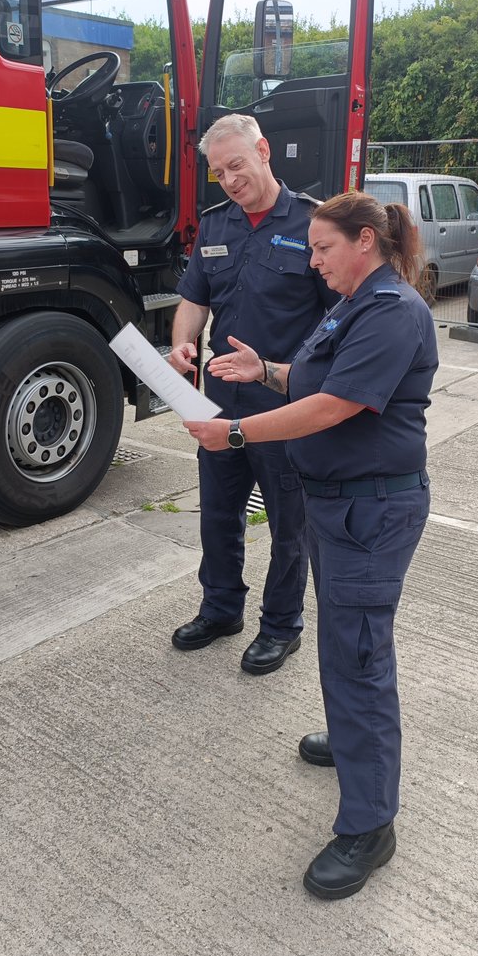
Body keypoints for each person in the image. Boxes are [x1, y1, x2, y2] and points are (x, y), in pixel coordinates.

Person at [184, 191, 438, 900]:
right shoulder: (351, 304)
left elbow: (335, 406)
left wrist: (234, 432)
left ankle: (369, 823)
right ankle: (354, 746)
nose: (314, 259)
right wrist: (260, 371)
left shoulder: (391, 310)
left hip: (371, 511)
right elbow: (313, 378)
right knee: (343, 644)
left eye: (323, 248)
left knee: (359, 655)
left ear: (365, 241)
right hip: (340, 507)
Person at [168, 114, 338, 675]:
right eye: (218, 173)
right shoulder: (217, 226)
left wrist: (300, 379)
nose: (230, 180)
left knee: (290, 523)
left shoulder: (313, 223)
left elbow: (338, 318)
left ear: (264, 150)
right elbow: (194, 297)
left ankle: (281, 626)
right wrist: (181, 344)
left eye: (236, 165)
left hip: (283, 405)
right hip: (219, 402)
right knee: (217, 514)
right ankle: (220, 609)